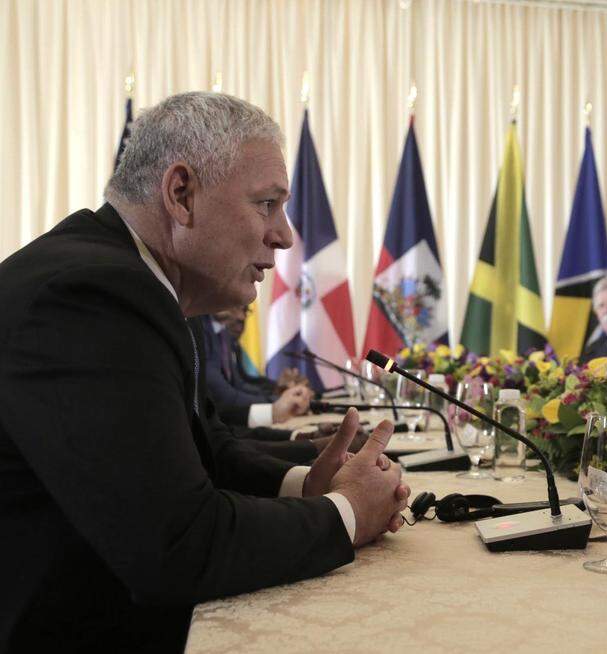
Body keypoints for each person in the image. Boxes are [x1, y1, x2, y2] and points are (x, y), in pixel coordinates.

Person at [0, 92, 409, 651]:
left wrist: (306, 482)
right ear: (181, 194)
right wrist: (348, 513)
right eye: (267, 203)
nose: (285, 235)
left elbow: (204, 443)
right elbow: (177, 544)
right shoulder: (92, 296)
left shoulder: (136, 280)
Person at [194, 312, 311, 427]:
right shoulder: (201, 329)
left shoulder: (222, 334)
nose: (241, 317)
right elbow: (225, 396)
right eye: (238, 308)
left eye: (245, 310)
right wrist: (277, 404)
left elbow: (241, 383)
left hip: (229, 421)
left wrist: (278, 389)